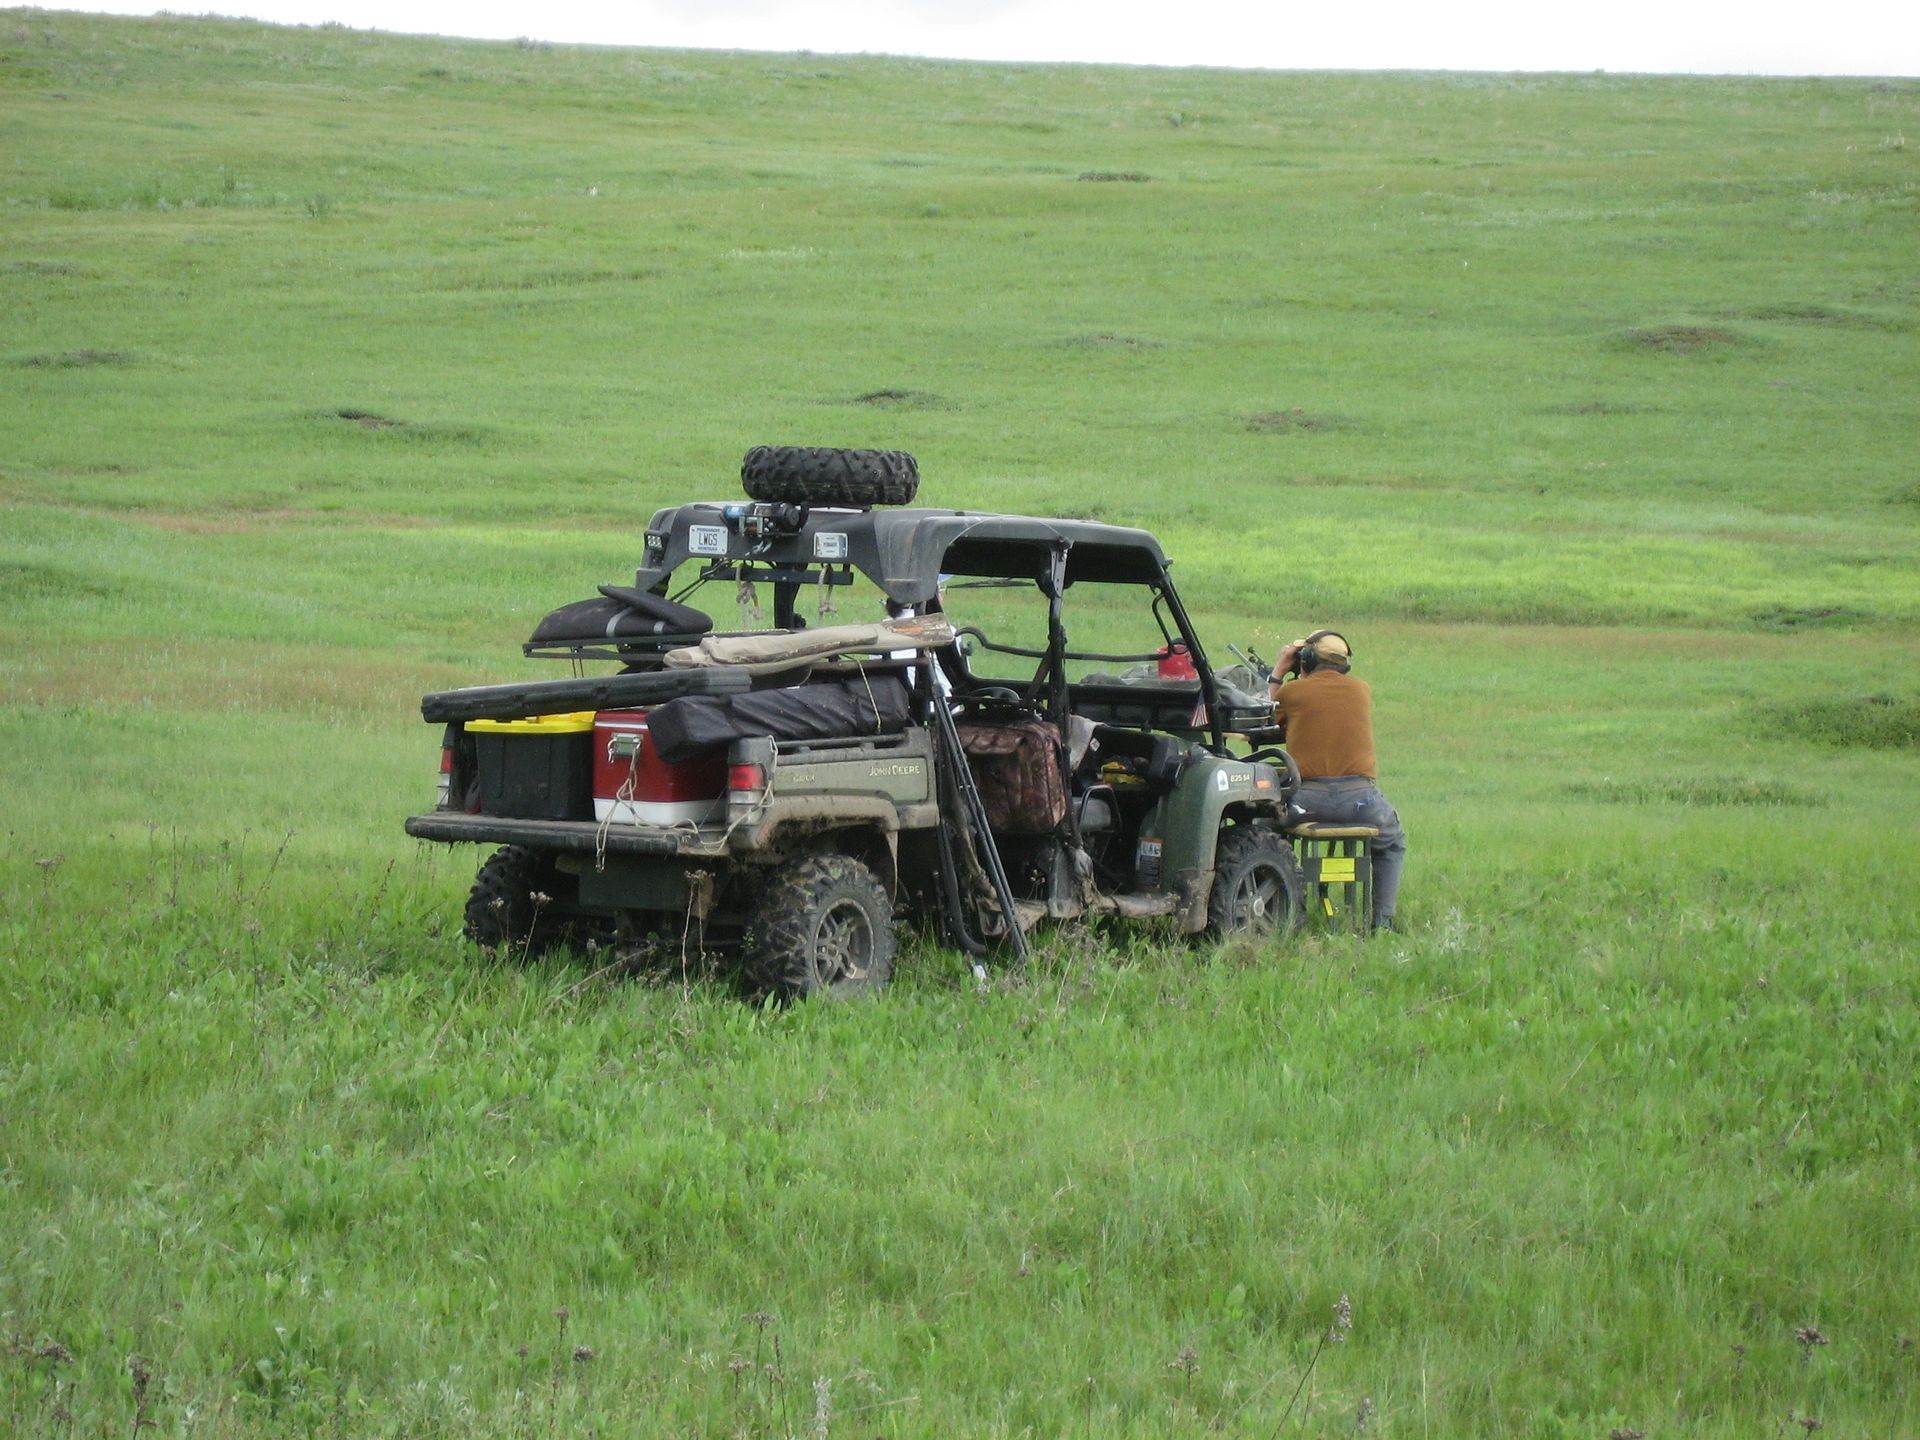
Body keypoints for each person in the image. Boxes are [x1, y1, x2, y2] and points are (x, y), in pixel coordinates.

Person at [1268, 629, 1405, 932]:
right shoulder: (1361, 690)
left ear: (1307, 659)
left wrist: (1279, 671)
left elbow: (1267, 715)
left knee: (1261, 829)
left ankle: (1276, 910)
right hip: (1361, 801)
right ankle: (1382, 921)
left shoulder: (1292, 694)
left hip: (1306, 801)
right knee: (1392, 841)